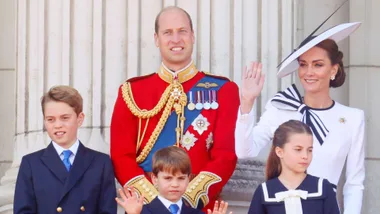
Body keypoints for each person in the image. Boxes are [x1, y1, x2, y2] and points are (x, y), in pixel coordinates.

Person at [110, 6, 239, 210]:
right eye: (167, 32)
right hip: (146, 208)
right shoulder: (132, 91)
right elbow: (121, 156)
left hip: (199, 208)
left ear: (193, 36)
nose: (176, 39)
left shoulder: (224, 90)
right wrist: (156, 203)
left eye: (182, 31)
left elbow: (225, 155)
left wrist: (186, 200)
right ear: (156, 39)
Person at [235, 22, 364, 214]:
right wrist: (247, 102)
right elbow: (245, 151)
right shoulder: (280, 108)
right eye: (303, 65)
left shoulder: (353, 118)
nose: (308, 72)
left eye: (318, 65)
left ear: (333, 70)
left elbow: (354, 184)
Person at [14, 86, 117, 214]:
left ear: (80, 119)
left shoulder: (101, 163)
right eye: (50, 119)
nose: (57, 125)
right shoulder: (30, 163)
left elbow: (107, 211)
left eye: (65, 118)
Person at [248, 120, 340, 214]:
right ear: (280, 152)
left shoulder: (323, 188)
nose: (305, 155)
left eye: (309, 150)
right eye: (298, 149)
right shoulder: (265, 191)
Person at [116, 146, 231, 214]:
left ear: (188, 179)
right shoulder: (141, 211)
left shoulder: (196, 213)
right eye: (168, 178)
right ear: (155, 179)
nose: (175, 184)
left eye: (181, 178)